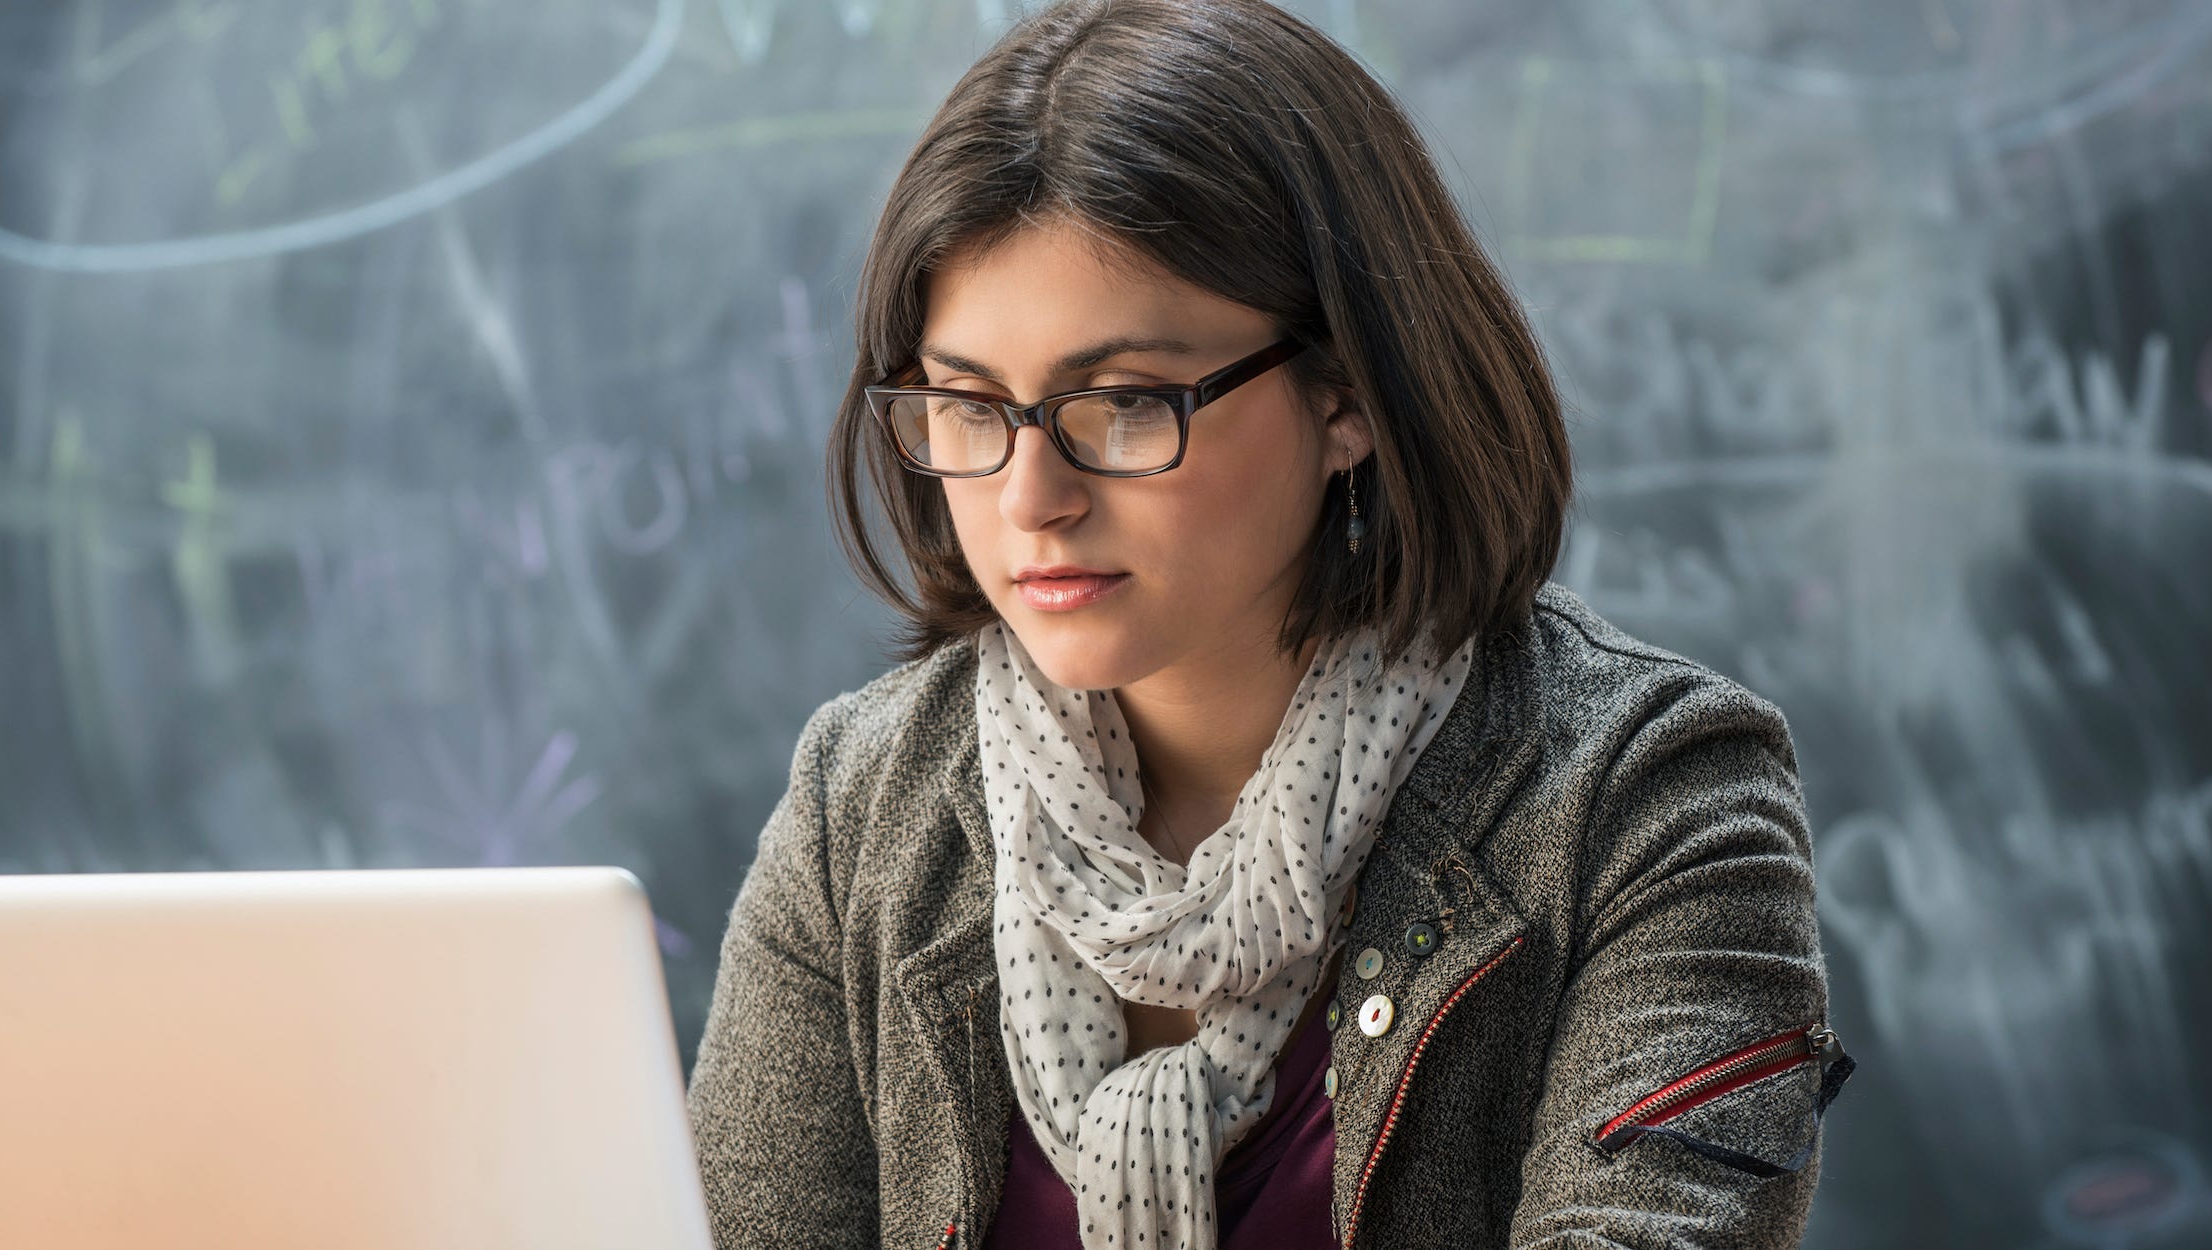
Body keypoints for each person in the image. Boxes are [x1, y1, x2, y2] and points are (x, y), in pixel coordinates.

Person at [684, 1, 1853, 1246]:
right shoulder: (861, 809)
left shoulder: (1650, 800)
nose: (1031, 497)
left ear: (1344, 393)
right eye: (969, 408)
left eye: (1124, 403)